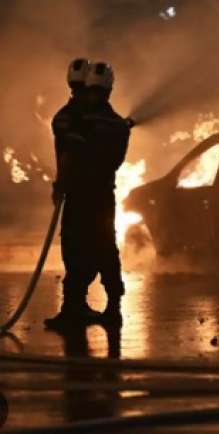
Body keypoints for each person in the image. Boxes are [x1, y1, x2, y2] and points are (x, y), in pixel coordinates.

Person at [45, 61, 130, 329]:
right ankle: (106, 308)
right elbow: (115, 160)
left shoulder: (71, 120)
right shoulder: (116, 124)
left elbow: (68, 154)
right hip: (103, 196)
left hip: (82, 196)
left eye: (86, 90)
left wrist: (61, 185)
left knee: (77, 248)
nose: (83, 96)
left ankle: (76, 306)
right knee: (105, 248)